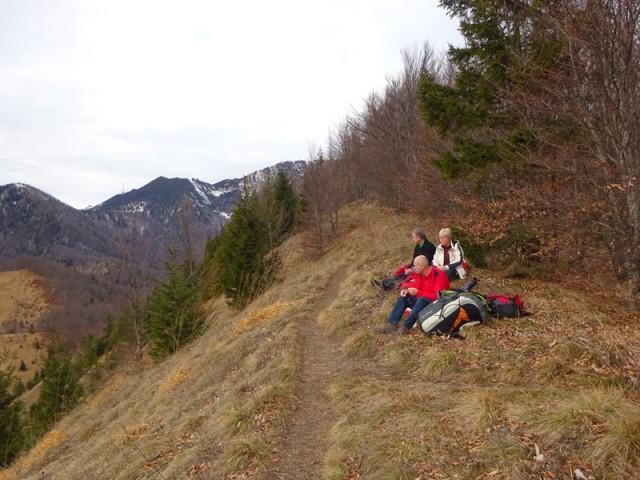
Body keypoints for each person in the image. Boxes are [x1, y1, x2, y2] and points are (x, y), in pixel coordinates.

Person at [373, 255, 450, 337]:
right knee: (405, 297)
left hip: (437, 306)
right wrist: (405, 290)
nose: (414, 267)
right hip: (425, 304)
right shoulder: (421, 275)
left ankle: (404, 329)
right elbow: (416, 287)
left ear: (422, 266)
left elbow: (439, 296)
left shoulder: (438, 275)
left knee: (422, 299)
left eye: (415, 265)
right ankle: (390, 324)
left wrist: (418, 293)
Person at [371, 229, 436, 291]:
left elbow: (427, 263)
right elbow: (414, 259)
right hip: (416, 267)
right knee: (402, 273)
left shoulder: (429, 246)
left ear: (419, 238)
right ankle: (384, 282)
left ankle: (387, 285)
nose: (412, 239)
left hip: (422, 269)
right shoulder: (418, 246)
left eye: (413, 237)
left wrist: (413, 269)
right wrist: (410, 267)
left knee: (406, 277)